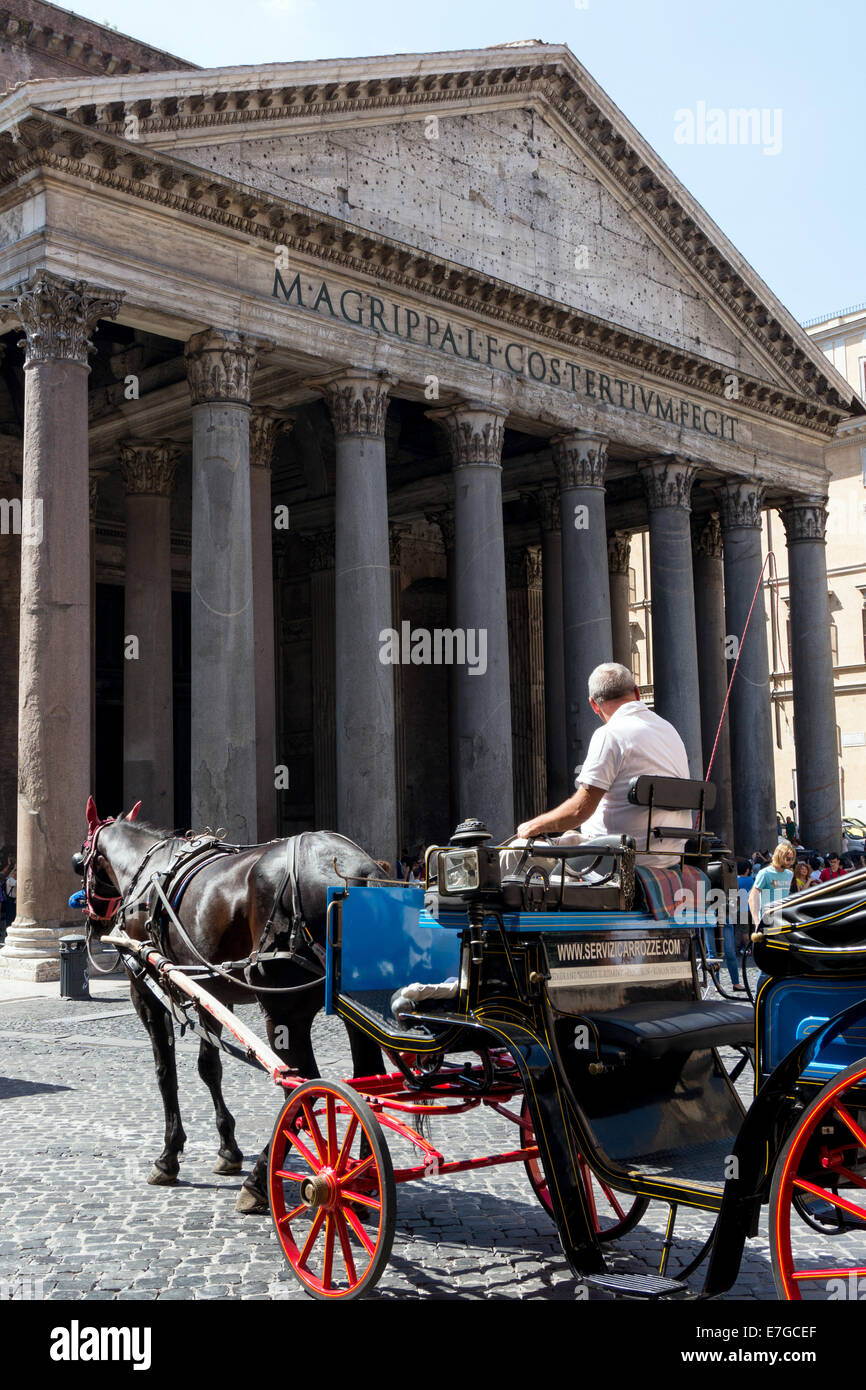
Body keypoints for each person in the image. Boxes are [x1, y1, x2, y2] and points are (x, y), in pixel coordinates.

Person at [514, 662, 692, 870]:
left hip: (616, 860)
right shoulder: (669, 731)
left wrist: (533, 825)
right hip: (668, 858)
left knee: (517, 851)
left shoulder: (611, 734)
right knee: (570, 838)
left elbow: (579, 811)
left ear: (593, 704)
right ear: (636, 692)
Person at [748, 843, 795, 925]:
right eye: (788, 859)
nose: (790, 862)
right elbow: (752, 897)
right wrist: (756, 921)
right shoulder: (765, 873)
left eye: (792, 859)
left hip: (784, 920)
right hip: (767, 920)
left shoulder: (789, 874)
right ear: (779, 857)